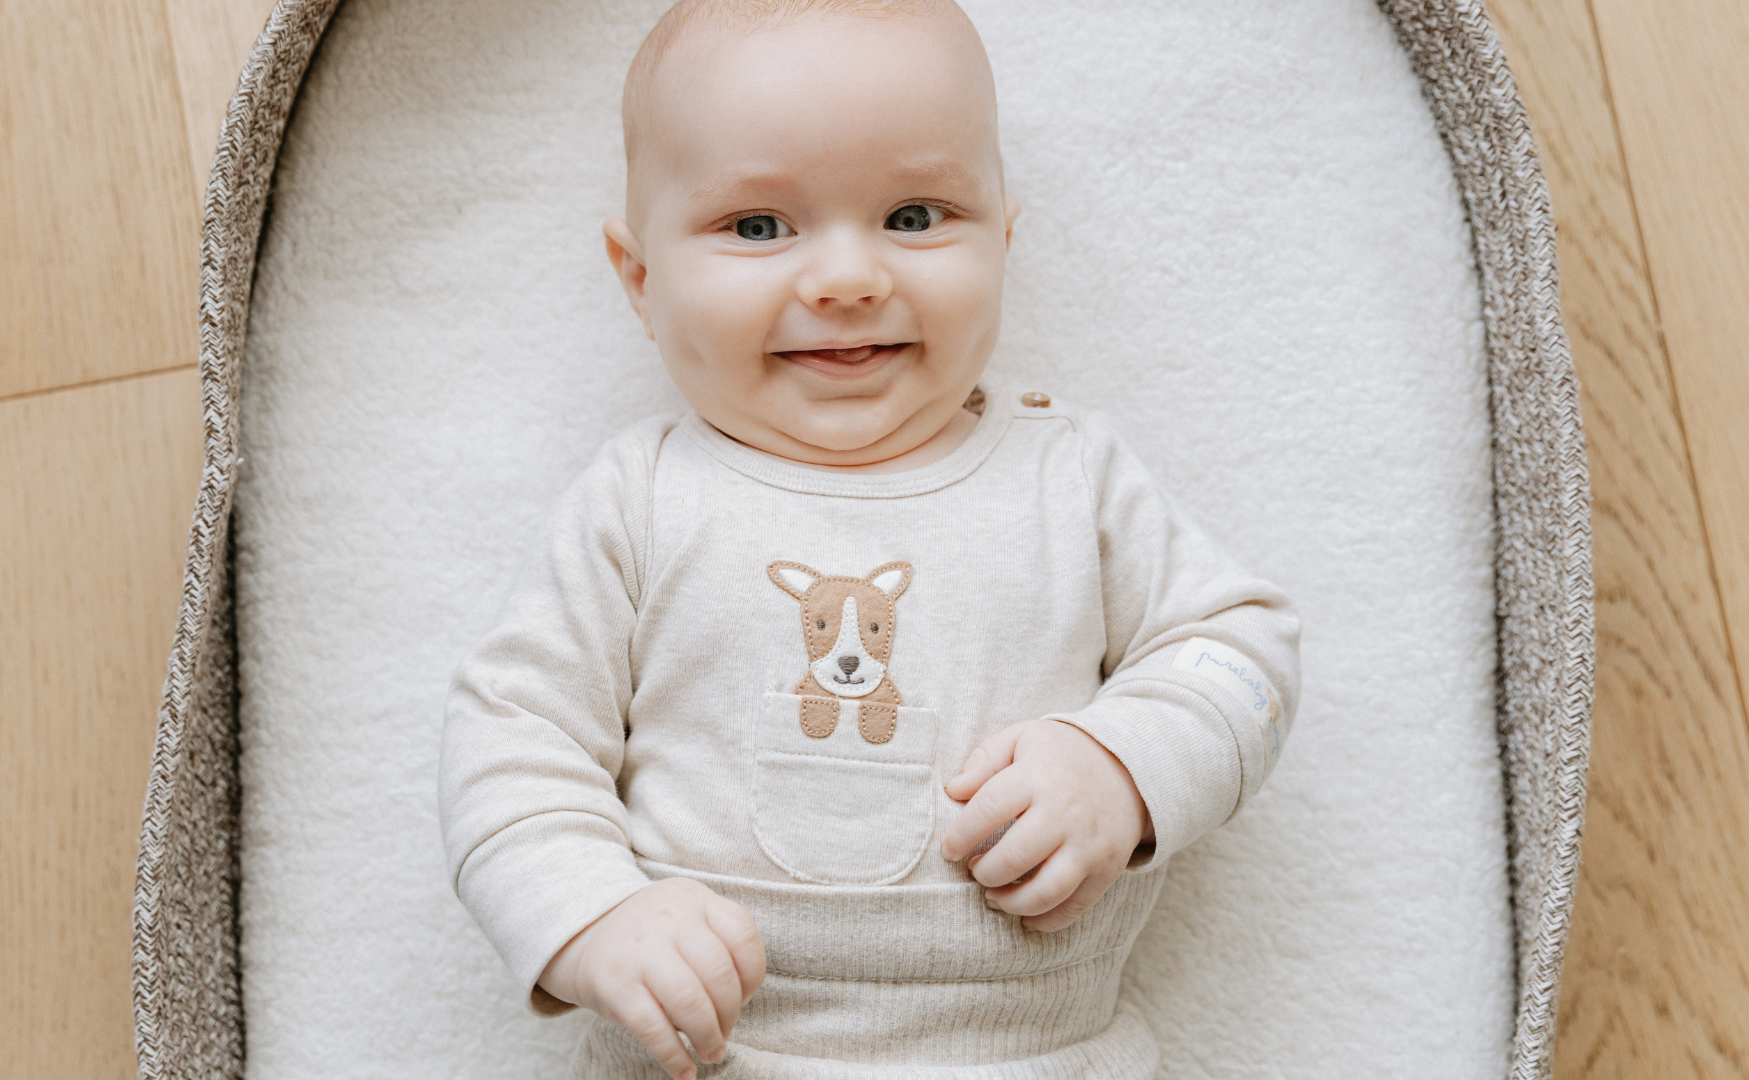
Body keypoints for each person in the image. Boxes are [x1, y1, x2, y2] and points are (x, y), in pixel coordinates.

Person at [439, 2, 1300, 1076]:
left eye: (914, 214)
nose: (847, 278)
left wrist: (1123, 767)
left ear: (1003, 238)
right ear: (641, 279)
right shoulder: (639, 502)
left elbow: (1245, 655)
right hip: (711, 1052)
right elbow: (511, 741)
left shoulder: (1070, 478)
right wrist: (591, 918)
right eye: (759, 226)